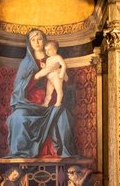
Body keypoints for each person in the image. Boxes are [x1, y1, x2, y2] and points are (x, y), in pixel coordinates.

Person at [5, 28, 76, 158]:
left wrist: (59, 76)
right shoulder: (26, 63)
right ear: (29, 43)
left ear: (44, 41)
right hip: (30, 105)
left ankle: (63, 156)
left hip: (51, 104)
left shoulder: (54, 58)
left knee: (63, 116)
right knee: (17, 118)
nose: (37, 42)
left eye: (39, 39)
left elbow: (65, 81)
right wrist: (37, 76)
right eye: (33, 40)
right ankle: (21, 156)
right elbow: (19, 87)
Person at [32, 39, 68, 107]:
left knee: (58, 90)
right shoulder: (48, 59)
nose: (47, 52)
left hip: (56, 76)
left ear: (55, 50)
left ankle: (58, 102)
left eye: (49, 49)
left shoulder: (58, 57)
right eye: (46, 50)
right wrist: (44, 66)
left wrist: (61, 74)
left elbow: (63, 65)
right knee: (48, 92)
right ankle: (46, 103)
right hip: (50, 78)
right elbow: (48, 68)